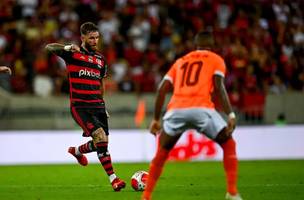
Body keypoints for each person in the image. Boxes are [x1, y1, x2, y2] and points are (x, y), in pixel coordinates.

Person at [142, 31, 242, 200]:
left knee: (161, 153)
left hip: (176, 110)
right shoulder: (216, 59)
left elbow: (161, 89)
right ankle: (232, 192)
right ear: (212, 46)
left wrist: (156, 119)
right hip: (201, 109)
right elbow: (219, 86)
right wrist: (230, 114)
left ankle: (146, 196)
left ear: (195, 45)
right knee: (228, 143)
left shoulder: (180, 61)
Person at [45, 22, 126, 191]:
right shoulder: (72, 54)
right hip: (80, 106)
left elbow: (100, 84)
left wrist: (103, 106)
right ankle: (114, 179)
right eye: (91, 38)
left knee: (101, 143)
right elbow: (49, 47)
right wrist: (67, 47)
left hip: (98, 106)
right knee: (100, 137)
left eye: (97, 37)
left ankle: (76, 151)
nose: (95, 41)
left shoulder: (100, 60)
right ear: (82, 38)